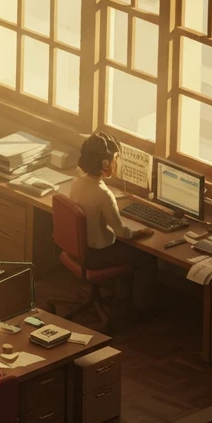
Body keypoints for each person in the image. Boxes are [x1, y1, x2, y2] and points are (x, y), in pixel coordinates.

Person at [66, 131, 157, 310]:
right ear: (105, 164)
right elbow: (122, 232)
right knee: (146, 257)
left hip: (76, 250)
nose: (117, 162)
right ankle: (141, 311)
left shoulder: (76, 182)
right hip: (95, 255)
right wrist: (141, 232)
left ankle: (122, 298)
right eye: (115, 158)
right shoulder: (104, 195)